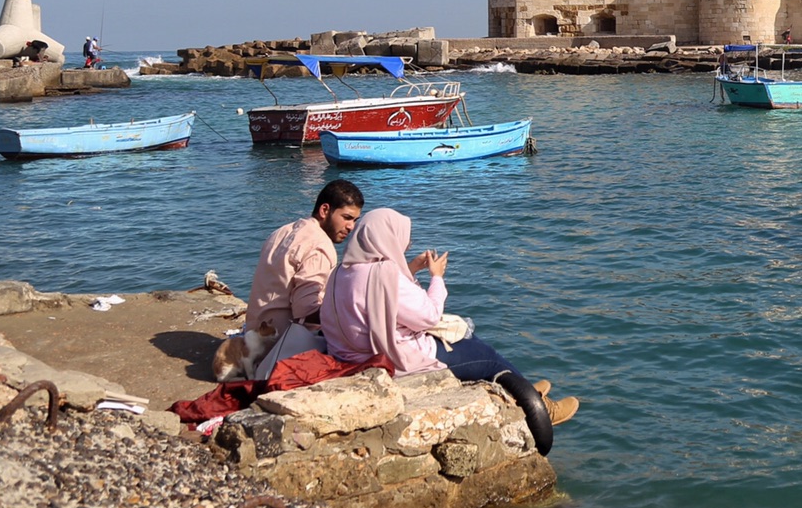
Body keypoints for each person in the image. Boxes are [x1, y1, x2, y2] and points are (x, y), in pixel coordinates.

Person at [320, 209, 577, 429]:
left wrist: (410, 269)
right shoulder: (385, 276)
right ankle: (541, 408)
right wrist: (437, 277)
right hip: (396, 358)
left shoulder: (340, 274)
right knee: (488, 357)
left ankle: (526, 387)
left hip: (350, 356)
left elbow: (383, 304)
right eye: (401, 239)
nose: (405, 245)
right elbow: (428, 316)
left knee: (468, 341)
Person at [241, 180, 362, 380]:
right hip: (277, 347)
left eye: (355, 220)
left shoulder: (283, 231)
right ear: (325, 210)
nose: (351, 227)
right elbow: (305, 312)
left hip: (253, 338)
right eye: (347, 218)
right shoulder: (320, 246)